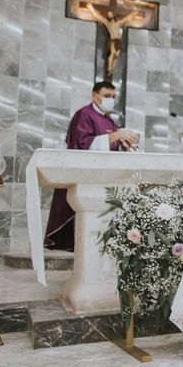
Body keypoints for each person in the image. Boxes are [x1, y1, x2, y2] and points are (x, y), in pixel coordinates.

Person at [44, 81, 138, 251]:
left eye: (113, 96)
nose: (111, 99)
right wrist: (116, 135)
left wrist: (123, 144)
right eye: (107, 96)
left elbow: (109, 150)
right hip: (85, 180)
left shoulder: (109, 121)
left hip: (102, 180)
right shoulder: (84, 115)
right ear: (95, 96)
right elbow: (82, 144)